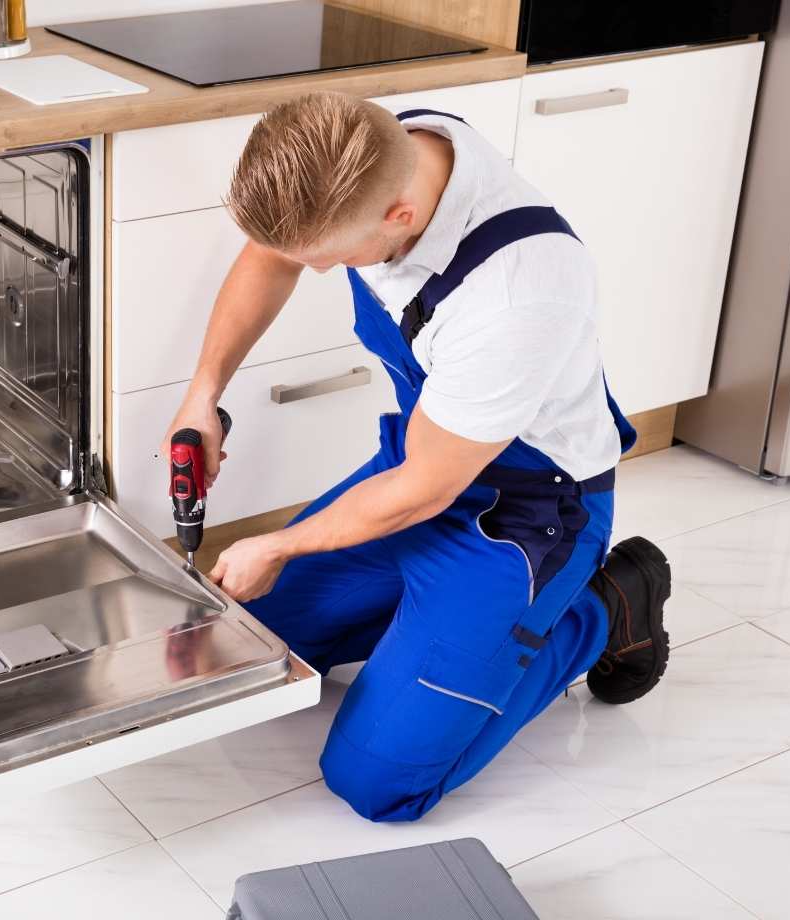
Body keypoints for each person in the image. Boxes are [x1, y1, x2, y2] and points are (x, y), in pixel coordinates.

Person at [162, 92, 672, 823]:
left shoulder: (519, 291)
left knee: (376, 783)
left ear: (399, 218)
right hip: (421, 461)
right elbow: (274, 253)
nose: (316, 271)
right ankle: (439, 632)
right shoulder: (369, 149)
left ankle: (603, 608)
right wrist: (201, 397)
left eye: (330, 259)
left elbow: (424, 491)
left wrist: (279, 543)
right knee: (247, 645)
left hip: (524, 519)